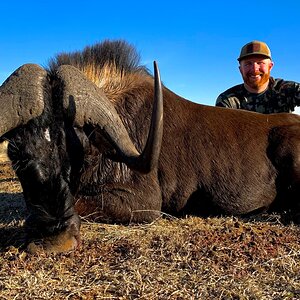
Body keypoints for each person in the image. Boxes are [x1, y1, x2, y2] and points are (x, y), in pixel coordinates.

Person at [215, 40, 300, 114]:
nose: (255, 69)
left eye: (260, 63)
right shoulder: (227, 100)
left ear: (270, 66)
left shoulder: (288, 90)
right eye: (248, 64)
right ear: (240, 70)